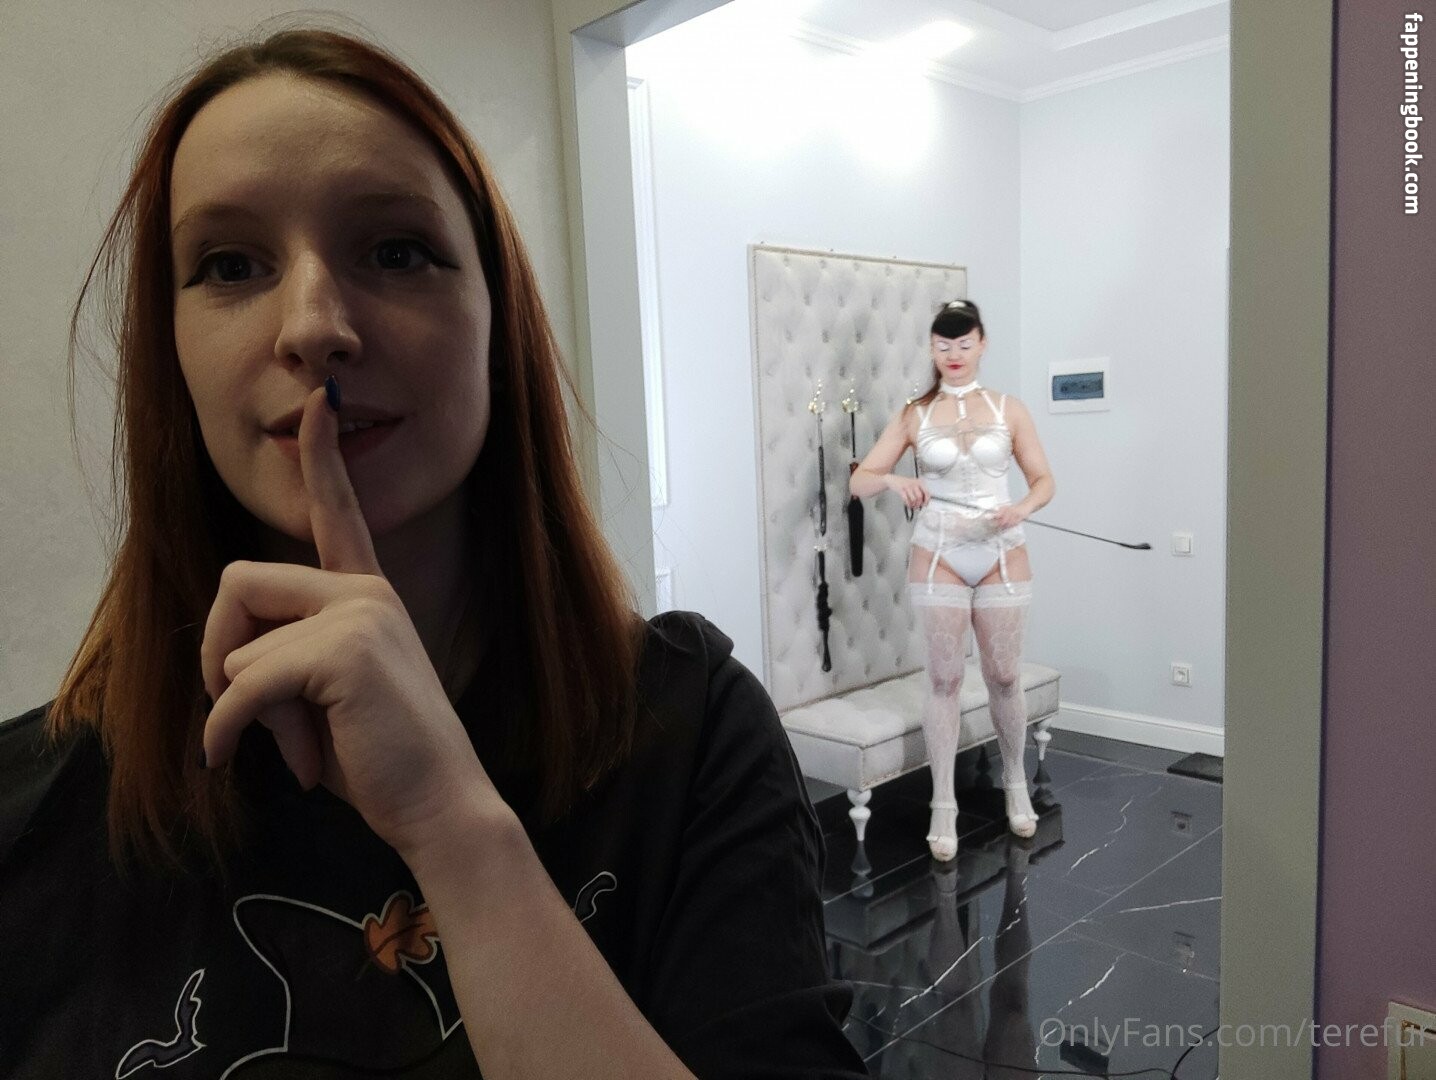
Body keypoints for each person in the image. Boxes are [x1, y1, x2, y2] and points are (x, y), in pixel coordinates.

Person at [0, 28, 871, 1079]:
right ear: (169, 354)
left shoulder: (691, 737)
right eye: (230, 265)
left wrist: (455, 830)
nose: (312, 327)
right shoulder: (29, 813)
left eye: (395, 252)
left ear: (496, 324)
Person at [849, 299, 1056, 861]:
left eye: (964, 344)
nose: (954, 354)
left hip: (1001, 552)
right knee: (943, 679)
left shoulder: (1009, 409)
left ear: (982, 343)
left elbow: (1043, 480)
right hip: (938, 552)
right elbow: (860, 480)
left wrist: (1021, 508)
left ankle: (1015, 783)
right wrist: (894, 481)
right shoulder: (914, 415)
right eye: (944, 346)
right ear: (932, 348)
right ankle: (944, 803)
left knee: (1004, 676)